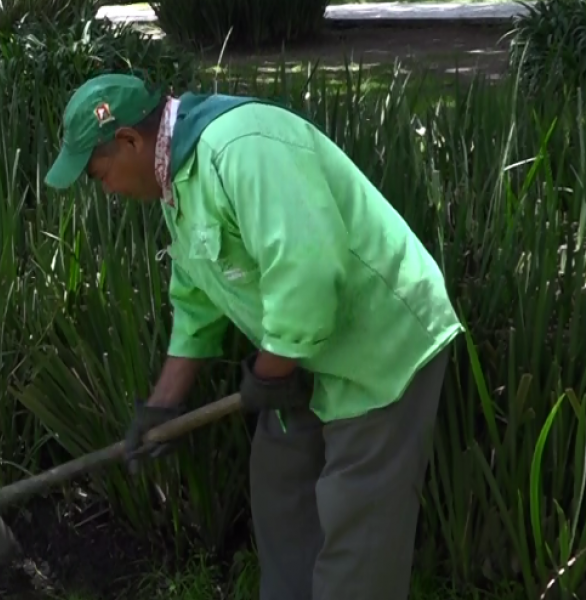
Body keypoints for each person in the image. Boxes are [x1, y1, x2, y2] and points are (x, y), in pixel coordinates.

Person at [44, 72, 464, 600]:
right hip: (304, 358)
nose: (105, 189)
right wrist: (161, 409)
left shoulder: (241, 147)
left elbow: (308, 271)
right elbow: (195, 303)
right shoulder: (180, 182)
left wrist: (269, 374)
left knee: (357, 526)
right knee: (280, 487)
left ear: (130, 140)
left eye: (98, 174)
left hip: (378, 351)